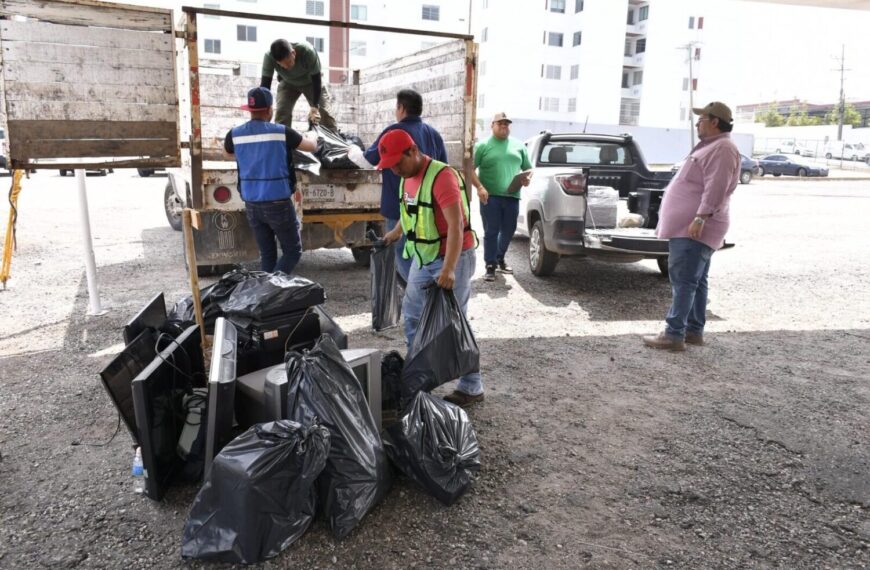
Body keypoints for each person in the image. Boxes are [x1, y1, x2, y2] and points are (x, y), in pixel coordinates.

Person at [377, 129, 483, 407]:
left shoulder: (441, 177)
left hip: (453, 257)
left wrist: (448, 269)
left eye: (397, 164)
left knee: (452, 324)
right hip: (424, 257)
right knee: (412, 317)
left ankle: (472, 386)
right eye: (390, 167)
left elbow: (457, 225)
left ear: (413, 151)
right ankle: (418, 380)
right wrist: (393, 234)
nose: (395, 170)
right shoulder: (406, 178)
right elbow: (409, 213)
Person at [643, 101, 740, 351]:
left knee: (684, 280)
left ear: (715, 121)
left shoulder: (722, 148)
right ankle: (693, 331)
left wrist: (700, 217)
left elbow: (716, 186)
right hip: (691, 227)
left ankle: (674, 334)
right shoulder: (713, 147)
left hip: (694, 228)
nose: (697, 123)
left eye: (701, 119)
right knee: (696, 280)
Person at [352, 89, 450, 283]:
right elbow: (443, 169)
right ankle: (422, 292)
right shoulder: (434, 134)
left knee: (404, 255)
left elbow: (367, 160)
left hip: (401, 208)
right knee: (423, 251)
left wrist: (353, 150)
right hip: (427, 209)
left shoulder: (395, 132)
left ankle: (417, 291)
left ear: (401, 108)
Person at [224, 86, 317, 274]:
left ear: (249, 110)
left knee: (267, 254)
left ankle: (265, 295)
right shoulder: (281, 132)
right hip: (278, 203)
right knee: (292, 251)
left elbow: (227, 154)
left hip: (252, 204)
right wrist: (313, 132)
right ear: (269, 110)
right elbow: (311, 147)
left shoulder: (234, 134)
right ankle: (271, 288)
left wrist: (250, 155)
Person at [471, 112, 532, 282]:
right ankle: (490, 265)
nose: (504, 126)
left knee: (509, 229)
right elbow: (469, 169)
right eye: (500, 123)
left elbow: (528, 168)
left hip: (512, 195)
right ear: (492, 125)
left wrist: (526, 179)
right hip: (490, 196)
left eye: (506, 124)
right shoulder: (483, 146)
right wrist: (480, 187)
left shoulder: (519, 145)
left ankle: (499, 257)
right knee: (491, 231)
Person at [260, 39, 337, 132]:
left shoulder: (307, 51)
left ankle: (334, 142)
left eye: (289, 63)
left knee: (324, 113)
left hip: (311, 82)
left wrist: (315, 106)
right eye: (282, 65)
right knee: (282, 112)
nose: (287, 67)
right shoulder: (269, 57)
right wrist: (266, 108)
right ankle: (283, 142)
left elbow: (317, 79)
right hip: (287, 82)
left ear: (293, 53)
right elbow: (265, 85)